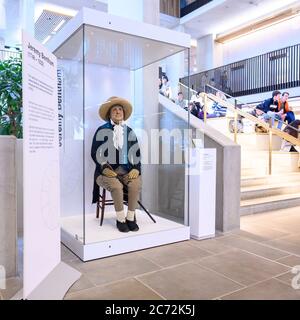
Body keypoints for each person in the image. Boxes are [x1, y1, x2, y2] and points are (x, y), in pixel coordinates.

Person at [91, 96, 141, 233]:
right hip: (106, 172)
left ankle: (130, 218)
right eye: (115, 109)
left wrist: (136, 168)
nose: (118, 112)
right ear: (109, 114)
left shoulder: (129, 131)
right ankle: (120, 219)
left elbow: (136, 154)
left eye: (120, 109)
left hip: (127, 171)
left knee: (136, 184)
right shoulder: (102, 130)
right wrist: (104, 168)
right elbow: (95, 153)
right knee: (116, 187)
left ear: (124, 113)